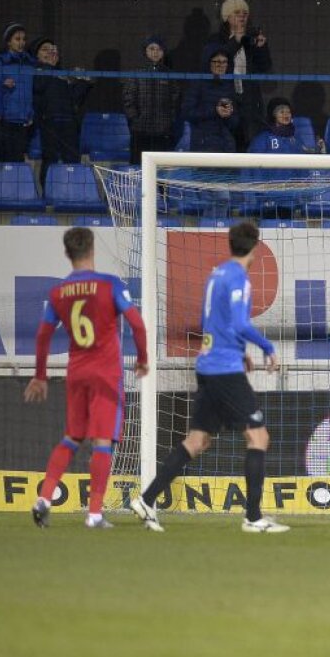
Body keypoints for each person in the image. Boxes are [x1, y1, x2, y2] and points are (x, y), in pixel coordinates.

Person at [130, 221, 288, 534]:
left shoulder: (216, 275)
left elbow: (212, 320)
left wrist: (238, 351)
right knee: (258, 437)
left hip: (208, 364)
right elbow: (240, 323)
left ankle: (146, 500)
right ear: (255, 247)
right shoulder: (239, 278)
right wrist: (267, 347)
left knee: (197, 440)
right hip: (223, 370)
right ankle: (253, 518)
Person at [25, 227, 149, 529]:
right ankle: (94, 514)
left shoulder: (58, 292)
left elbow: (42, 335)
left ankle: (44, 498)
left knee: (72, 437)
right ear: (92, 249)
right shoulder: (110, 285)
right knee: (102, 440)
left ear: (67, 254)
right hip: (105, 373)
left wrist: (40, 376)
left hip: (77, 371)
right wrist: (143, 358)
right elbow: (137, 324)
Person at [203, 0, 272, 149]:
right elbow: (218, 61)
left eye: (245, 13)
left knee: (248, 141)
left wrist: (261, 48)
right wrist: (236, 40)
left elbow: (265, 67)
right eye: (237, 13)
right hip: (224, 95)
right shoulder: (216, 40)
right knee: (225, 141)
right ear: (227, 17)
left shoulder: (252, 39)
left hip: (248, 99)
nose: (242, 16)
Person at [30, 38, 92, 183]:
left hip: (69, 123)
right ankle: (48, 193)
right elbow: (38, 87)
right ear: (36, 55)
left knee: (72, 159)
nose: (50, 52)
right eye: (45, 50)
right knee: (50, 159)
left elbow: (74, 99)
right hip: (49, 122)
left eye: (53, 49)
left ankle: (72, 191)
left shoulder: (62, 74)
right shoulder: (35, 72)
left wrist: (83, 82)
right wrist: (49, 67)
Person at [123, 35, 181, 164]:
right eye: (152, 48)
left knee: (162, 169)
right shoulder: (136, 74)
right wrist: (135, 120)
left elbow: (175, 100)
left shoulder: (170, 75)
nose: (155, 52)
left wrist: (169, 121)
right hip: (140, 131)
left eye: (159, 49)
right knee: (139, 167)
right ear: (145, 51)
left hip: (163, 132)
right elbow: (129, 100)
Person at [182, 48, 240, 153]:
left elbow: (235, 122)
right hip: (202, 142)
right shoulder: (197, 84)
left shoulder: (230, 86)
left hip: (226, 144)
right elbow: (187, 113)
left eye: (224, 62)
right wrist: (215, 111)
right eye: (217, 61)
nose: (221, 65)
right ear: (208, 63)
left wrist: (228, 115)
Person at [0, 22, 36, 162]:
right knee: (4, 159)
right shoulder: (0, 61)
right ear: (8, 42)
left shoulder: (30, 62)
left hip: (24, 119)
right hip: (5, 118)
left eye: (24, 39)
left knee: (18, 159)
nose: (21, 43)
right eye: (17, 39)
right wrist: (2, 84)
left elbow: (33, 90)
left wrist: (31, 112)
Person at [248, 96, 324, 155]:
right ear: (273, 115)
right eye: (282, 112)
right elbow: (253, 164)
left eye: (288, 112)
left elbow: (304, 153)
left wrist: (318, 149)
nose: (286, 115)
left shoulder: (295, 137)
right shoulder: (263, 138)